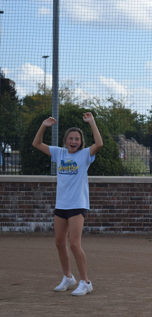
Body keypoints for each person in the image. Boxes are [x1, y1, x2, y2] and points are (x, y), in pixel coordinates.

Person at [32, 112, 103, 296]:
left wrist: (92, 122)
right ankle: (68, 277)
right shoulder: (59, 153)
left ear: (81, 141)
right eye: (71, 138)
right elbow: (37, 144)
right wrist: (44, 125)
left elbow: (99, 144)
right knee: (58, 242)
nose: (74, 141)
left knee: (74, 244)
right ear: (65, 140)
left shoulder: (85, 155)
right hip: (61, 205)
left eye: (77, 139)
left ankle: (85, 282)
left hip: (77, 205)